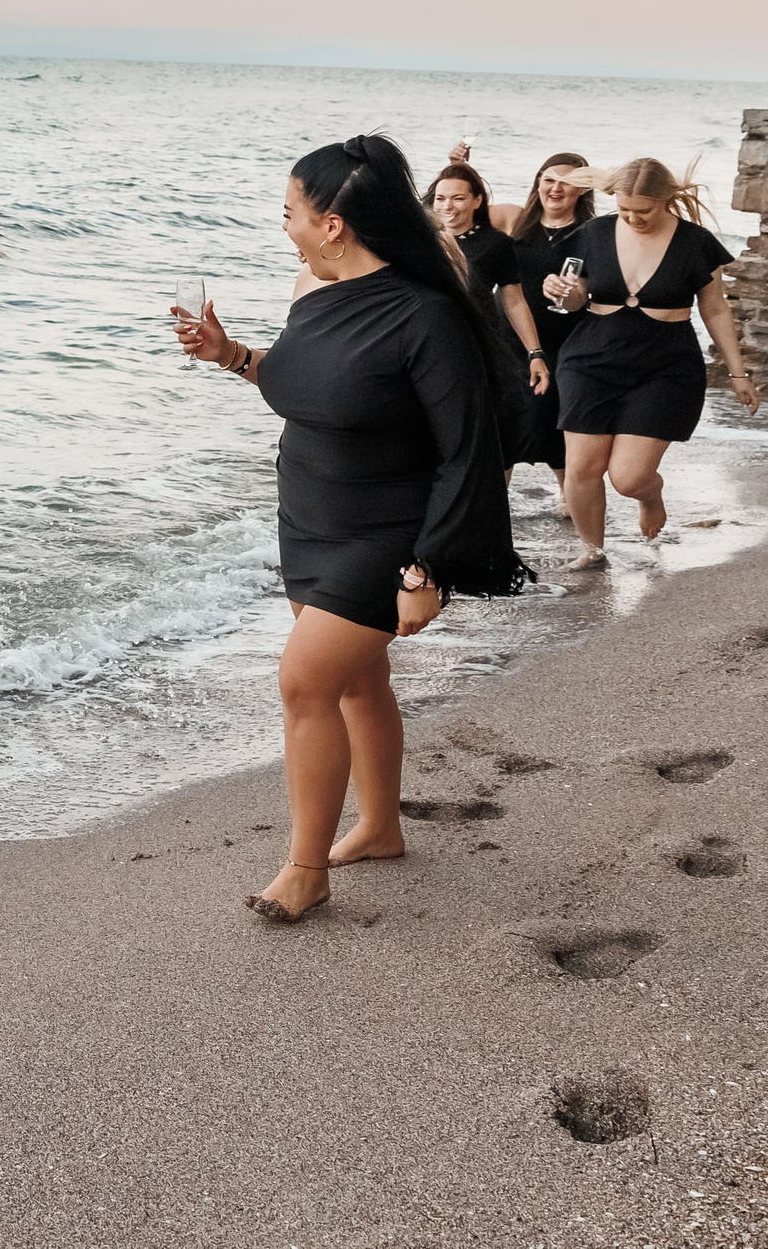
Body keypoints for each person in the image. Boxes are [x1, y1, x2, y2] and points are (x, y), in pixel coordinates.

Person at [173, 135, 531, 925]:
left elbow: (466, 449)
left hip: (386, 533)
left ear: (334, 222)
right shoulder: (312, 288)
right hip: (308, 519)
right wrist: (230, 353)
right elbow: (311, 383)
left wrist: (429, 566)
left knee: (304, 683)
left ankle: (305, 869)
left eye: (292, 213)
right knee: (361, 682)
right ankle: (380, 828)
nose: (287, 228)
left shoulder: (427, 314)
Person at [540, 159, 760, 566]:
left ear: (666, 200)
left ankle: (651, 496)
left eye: (644, 211)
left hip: (665, 368)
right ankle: (592, 550)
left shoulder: (696, 242)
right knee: (582, 466)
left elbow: (714, 310)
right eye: (624, 210)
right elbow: (575, 301)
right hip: (590, 360)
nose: (632, 218)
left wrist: (738, 373)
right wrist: (559, 291)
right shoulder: (594, 233)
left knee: (629, 477)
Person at [424, 163, 553, 443]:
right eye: (441, 198)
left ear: (477, 200)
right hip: (423, 346)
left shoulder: (495, 244)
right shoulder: (418, 241)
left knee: (476, 431)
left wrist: (535, 353)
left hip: (475, 350)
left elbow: (514, 301)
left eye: (458, 198)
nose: (448, 206)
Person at [503, 153, 597, 499]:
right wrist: (462, 164)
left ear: (583, 190)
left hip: (563, 342)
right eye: (549, 179)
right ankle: (495, 505)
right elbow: (449, 211)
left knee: (551, 420)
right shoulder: (514, 221)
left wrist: (570, 293)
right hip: (507, 339)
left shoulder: (591, 234)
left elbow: (582, 299)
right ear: (538, 182)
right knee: (503, 420)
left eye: (567, 181)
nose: (556, 188)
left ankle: (571, 499)